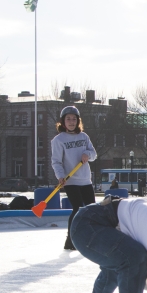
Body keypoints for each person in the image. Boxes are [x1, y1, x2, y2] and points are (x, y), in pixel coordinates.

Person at [51, 105, 98, 250]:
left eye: (74, 119)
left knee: (92, 210)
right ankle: (70, 241)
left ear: (78, 121)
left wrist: (87, 155)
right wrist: (60, 176)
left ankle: (92, 238)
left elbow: (94, 154)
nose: (71, 122)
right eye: (68, 119)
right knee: (77, 208)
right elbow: (56, 162)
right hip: (70, 180)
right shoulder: (58, 140)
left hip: (85, 179)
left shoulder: (84, 137)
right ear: (63, 122)